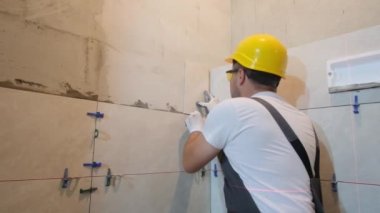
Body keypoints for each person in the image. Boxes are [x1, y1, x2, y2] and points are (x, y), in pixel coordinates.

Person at [182, 34, 319, 212]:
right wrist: (219, 115)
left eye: (230, 75)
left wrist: (197, 129)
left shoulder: (233, 109)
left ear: (240, 75)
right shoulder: (303, 120)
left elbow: (190, 163)